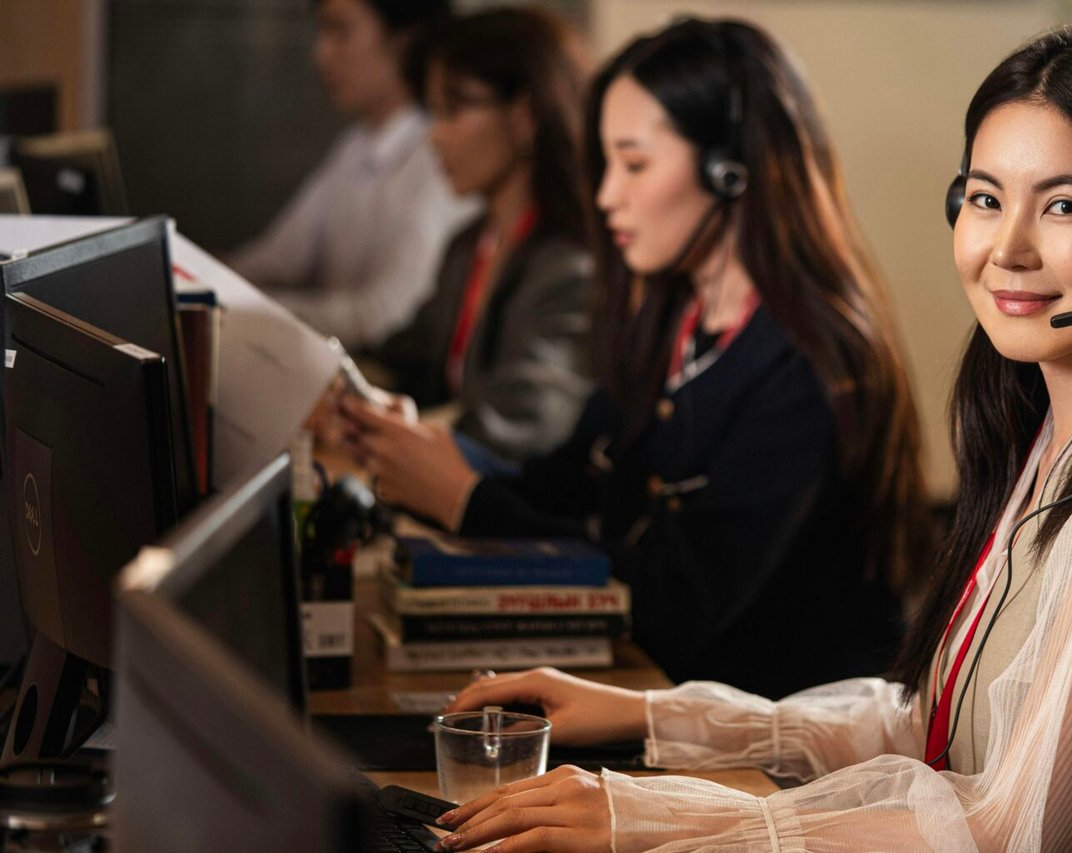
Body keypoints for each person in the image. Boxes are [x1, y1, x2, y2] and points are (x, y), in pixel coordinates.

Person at [425, 23, 1072, 852]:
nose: (1007, 247)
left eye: (1064, 205)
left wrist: (654, 816)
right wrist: (648, 715)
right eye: (985, 199)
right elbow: (928, 723)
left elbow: (1012, 832)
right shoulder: (1048, 447)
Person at [342, 18, 930, 700]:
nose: (605, 195)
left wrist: (470, 501)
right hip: (669, 703)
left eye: (635, 163)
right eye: (607, 163)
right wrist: (431, 457)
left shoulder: (809, 366)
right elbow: (560, 485)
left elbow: (677, 604)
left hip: (775, 754)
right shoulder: (671, 318)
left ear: (728, 168)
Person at [366, 8, 594, 465]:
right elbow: (407, 359)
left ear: (526, 116)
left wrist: (399, 437)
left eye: (454, 109)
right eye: (432, 113)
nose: (435, 137)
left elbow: (525, 420)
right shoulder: (470, 244)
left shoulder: (570, 260)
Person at [231, 0, 476, 350]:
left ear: (403, 42)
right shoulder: (356, 146)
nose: (322, 54)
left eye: (341, 31)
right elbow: (279, 258)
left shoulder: (441, 160)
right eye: (322, 32)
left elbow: (386, 316)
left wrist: (242, 308)